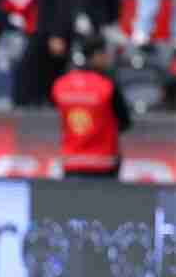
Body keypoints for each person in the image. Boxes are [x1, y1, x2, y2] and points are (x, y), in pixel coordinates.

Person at [51, 36, 132, 179]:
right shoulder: (107, 86)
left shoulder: (61, 84)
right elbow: (125, 122)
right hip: (103, 163)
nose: (108, 58)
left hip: (71, 162)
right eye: (105, 54)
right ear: (96, 56)